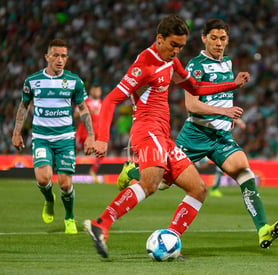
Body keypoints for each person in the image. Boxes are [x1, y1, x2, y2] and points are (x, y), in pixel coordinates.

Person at [84, 14, 249, 258]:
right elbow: (110, 100)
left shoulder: (171, 63)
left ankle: (171, 239)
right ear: (159, 39)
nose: (177, 51)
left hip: (163, 136)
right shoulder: (144, 65)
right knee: (150, 184)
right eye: (173, 45)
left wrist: (231, 85)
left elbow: (195, 87)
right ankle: (101, 224)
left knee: (198, 189)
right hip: (146, 132)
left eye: (181, 47)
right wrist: (102, 139)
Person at [118, 18, 278, 249]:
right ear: (204, 39)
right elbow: (191, 105)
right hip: (195, 135)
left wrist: (231, 118)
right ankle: (132, 172)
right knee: (161, 182)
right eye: (214, 38)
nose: (218, 43)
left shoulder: (227, 63)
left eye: (223, 39)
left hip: (221, 138)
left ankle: (263, 229)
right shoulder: (196, 65)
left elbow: (221, 97)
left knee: (244, 171)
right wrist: (224, 111)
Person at [12, 39, 95, 234]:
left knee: (65, 184)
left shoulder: (74, 81)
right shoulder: (32, 81)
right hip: (41, 137)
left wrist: (90, 135)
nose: (59, 60)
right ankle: (49, 200)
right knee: (43, 179)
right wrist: (16, 132)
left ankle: (69, 217)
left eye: (63, 56)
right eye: (56, 55)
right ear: (47, 57)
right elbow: (23, 106)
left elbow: (83, 109)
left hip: (65, 138)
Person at [75, 84, 103, 183]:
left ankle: (93, 171)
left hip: (96, 133)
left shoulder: (101, 104)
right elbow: (75, 115)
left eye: (98, 90)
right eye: (95, 90)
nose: (97, 92)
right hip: (83, 132)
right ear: (91, 90)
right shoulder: (84, 102)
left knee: (101, 152)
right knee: (74, 151)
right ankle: (66, 170)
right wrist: (89, 112)